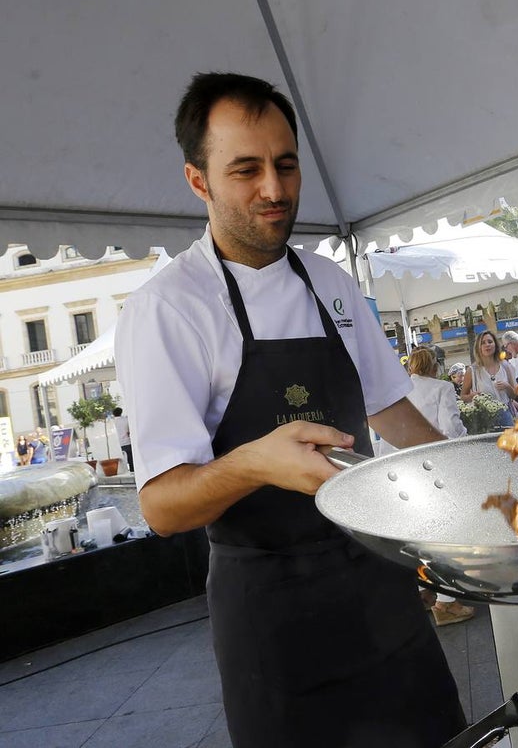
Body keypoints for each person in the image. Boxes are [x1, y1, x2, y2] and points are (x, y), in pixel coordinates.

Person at [114, 73, 464, 748]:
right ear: (198, 181)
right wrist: (255, 462)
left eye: (286, 164)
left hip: (382, 591)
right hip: (275, 625)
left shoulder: (328, 280)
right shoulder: (168, 309)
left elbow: (391, 409)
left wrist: (475, 481)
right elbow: (161, 504)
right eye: (246, 170)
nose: (274, 189)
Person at [404, 347, 473, 626]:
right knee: (445, 533)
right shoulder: (443, 388)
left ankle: (423, 592)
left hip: (402, 470)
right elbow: (451, 429)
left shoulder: (399, 391)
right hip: (435, 469)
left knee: (416, 535)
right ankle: (446, 602)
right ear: (434, 366)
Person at [461, 329, 518, 427]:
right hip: (483, 419)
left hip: (506, 416)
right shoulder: (472, 370)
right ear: (478, 347)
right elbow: (463, 396)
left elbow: (515, 395)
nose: (487, 345)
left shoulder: (505, 366)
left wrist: (507, 386)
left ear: (495, 345)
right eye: (483, 343)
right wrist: (473, 396)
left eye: (490, 342)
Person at [112, 406, 133, 472]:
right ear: (121, 412)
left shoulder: (112, 422)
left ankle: (124, 472)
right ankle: (133, 472)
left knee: (120, 462)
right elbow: (130, 431)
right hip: (127, 442)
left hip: (117, 445)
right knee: (131, 460)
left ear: (113, 414)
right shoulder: (126, 420)